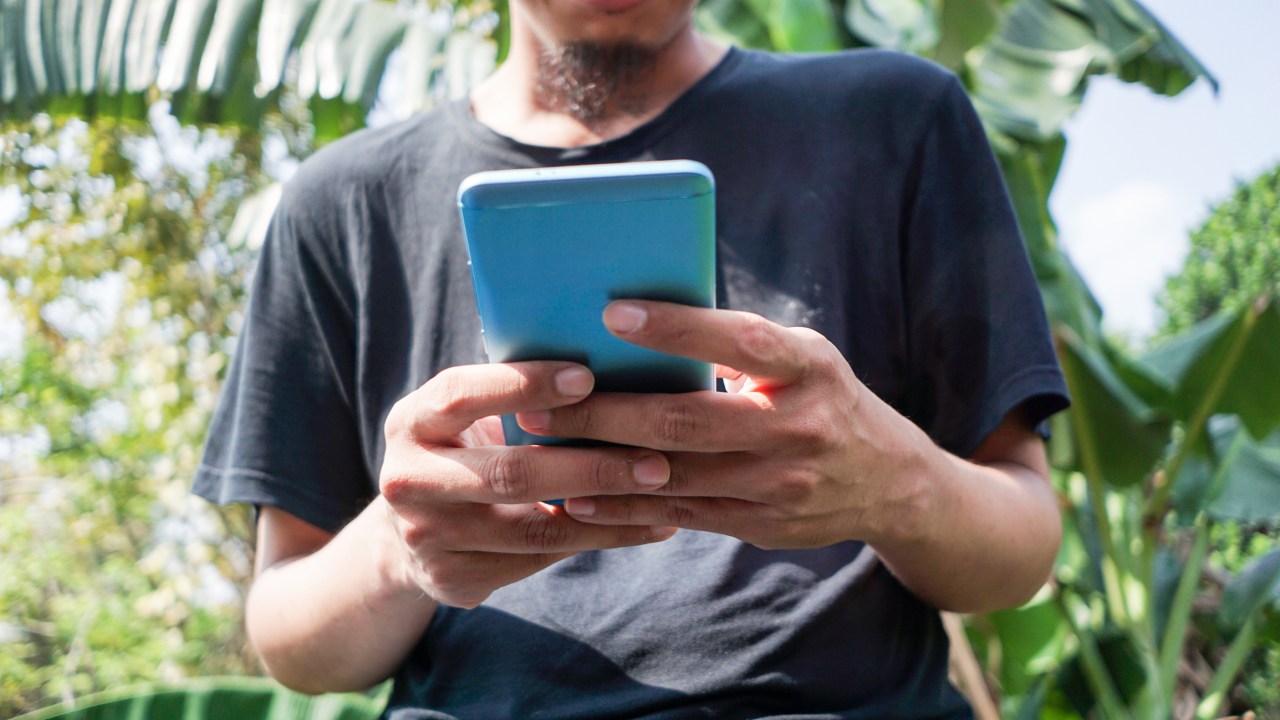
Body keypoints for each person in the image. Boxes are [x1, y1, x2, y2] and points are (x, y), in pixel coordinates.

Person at [194, 0, 1071, 717]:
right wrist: (399, 548)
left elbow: (1024, 542)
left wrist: (893, 484)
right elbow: (289, 636)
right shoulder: (338, 203)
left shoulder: (897, 117)